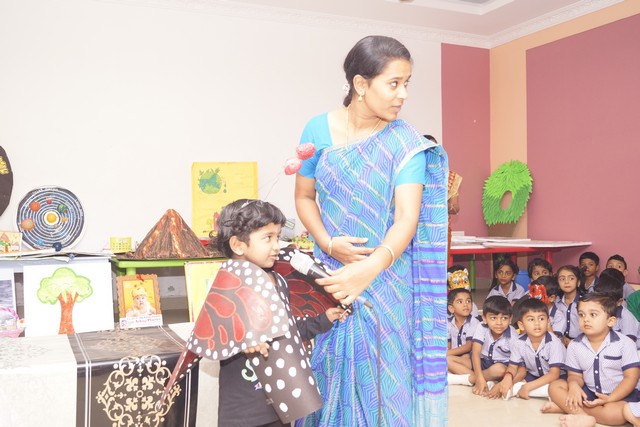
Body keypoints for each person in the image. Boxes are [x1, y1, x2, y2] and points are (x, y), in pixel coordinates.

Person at [294, 35, 449, 426]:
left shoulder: (405, 143)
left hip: (385, 281)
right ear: (361, 85)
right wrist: (327, 242)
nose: (403, 95)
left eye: (407, 83)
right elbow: (304, 197)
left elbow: (407, 218)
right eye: (394, 83)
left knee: (382, 380)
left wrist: (369, 269)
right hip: (330, 276)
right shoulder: (317, 129)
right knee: (325, 370)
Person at [214, 199, 346, 427]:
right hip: (244, 412)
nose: (277, 246)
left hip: (280, 406)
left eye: (278, 236)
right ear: (238, 245)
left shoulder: (279, 282)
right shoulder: (226, 285)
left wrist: (323, 319)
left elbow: (289, 332)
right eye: (268, 237)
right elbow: (212, 338)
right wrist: (242, 339)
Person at [541, 293, 640, 426]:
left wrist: (610, 398)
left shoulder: (625, 343)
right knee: (554, 387)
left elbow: (631, 378)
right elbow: (575, 375)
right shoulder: (574, 345)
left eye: (593, 314)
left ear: (610, 321)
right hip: (590, 392)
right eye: (581, 315)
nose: (586, 319)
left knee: (614, 414)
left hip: (620, 395)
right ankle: (583, 416)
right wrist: (574, 386)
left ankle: (568, 408)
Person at [497, 298, 566, 400]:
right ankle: (530, 390)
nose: (537, 323)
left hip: (557, 378)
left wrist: (528, 386)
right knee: (512, 382)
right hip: (533, 376)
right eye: (531, 319)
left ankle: (526, 389)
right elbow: (512, 366)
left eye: (541, 319)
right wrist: (508, 377)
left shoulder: (554, 343)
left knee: (558, 387)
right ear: (521, 325)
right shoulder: (519, 342)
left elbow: (554, 374)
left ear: (548, 322)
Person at [469, 296, 517, 396]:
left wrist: (479, 377)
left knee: (499, 369)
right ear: (484, 318)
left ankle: (468, 379)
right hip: (483, 361)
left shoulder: (512, 334)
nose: (499, 323)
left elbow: (516, 363)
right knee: (451, 360)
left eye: (504, 318)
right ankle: (483, 379)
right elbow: (476, 352)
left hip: (501, 365)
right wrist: (480, 378)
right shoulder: (481, 326)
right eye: (493, 318)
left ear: (510, 319)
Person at [424, 134, 461, 267]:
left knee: (439, 267)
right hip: (416, 231)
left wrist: (440, 204)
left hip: (440, 231)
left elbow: (455, 208)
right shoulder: (412, 175)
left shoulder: (448, 176)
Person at [594, 267, 639, 348]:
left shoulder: (626, 317)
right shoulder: (597, 313)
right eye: (599, 300)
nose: (602, 304)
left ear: (619, 302)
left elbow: (628, 344)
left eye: (607, 302)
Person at [446, 288, 481, 383]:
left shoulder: (474, 323)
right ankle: (469, 378)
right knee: (442, 362)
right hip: (455, 357)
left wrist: (445, 354)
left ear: (472, 306)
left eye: (468, 301)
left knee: (451, 359)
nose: (465, 304)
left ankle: (477, 379)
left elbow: (469, 346)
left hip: (471, 359)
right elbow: (448, 345)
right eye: (460, 302)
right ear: (451, 308)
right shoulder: (448, 323)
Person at [552, 265, 584, 346]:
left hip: (581, 343)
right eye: (562, 279)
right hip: (560, 343)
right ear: (558, 284)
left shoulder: (585, 303)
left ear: (578, 283)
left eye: (571, 278)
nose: (566, 282)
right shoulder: (555, 303)